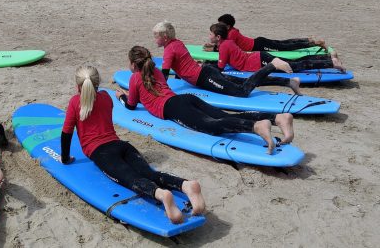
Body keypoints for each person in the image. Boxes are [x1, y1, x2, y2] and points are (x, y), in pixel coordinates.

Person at [61, 66, 205, 224]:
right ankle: (186, 185)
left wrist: (65, 158)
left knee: (131, 179)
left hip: (102, 153)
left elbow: (66, 133)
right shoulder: (106, 97)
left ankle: (162, 195)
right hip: (121, 145)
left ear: (77, 86)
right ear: (97, 83)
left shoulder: (75, 102)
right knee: (150, 174)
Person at [115, 46, 296, 155]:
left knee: (212, 126)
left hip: (173, 108)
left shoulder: (135, 79)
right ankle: (277, 118)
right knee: (224, 115)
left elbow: (131, 105)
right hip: (185, 99)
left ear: (132, 64)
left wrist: (121, 96)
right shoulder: (155, 72)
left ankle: (256, 127)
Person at [153, 21, 301, 97]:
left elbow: (164, 76)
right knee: (244, 81)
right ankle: (289, 82)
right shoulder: (177, 43)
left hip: (205, 77)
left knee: (242, 91)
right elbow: (181, 66)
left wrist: (159, 92)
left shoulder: (168, 51)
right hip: (205, 72)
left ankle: (272, 65)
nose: (154, 39)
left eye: (156, 36)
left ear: (165, 37)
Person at [209, 23, 345, 73]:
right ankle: (328, 58)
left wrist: (204, 67)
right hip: (259, 56)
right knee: (295, 61)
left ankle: (331, 62)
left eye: (211, 34)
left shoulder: (224, 46)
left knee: (296, 66)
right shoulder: (227, 42)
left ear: (218, 37)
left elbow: (220, 68)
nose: (209, 36)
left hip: (259, 61)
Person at [208, 13, 327, 52]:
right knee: (282, 43)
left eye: (221, 24)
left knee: (285, 47)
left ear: (228, 26)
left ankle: (315, 43)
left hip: (259, 45)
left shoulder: (231, 34)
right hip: (258, 41)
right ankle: (308, 40)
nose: (218, 26)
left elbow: (228, 48)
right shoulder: (231, 31)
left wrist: (213, 48)